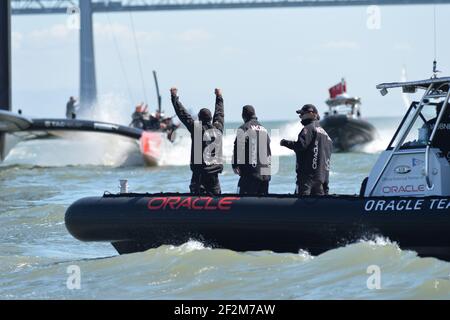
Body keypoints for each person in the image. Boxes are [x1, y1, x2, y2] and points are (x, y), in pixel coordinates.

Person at [171, 87, 224, 195]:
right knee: (216, 201)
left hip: (200, 175)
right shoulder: (218, 129)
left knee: (197, 203)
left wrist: (174, 97)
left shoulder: (197, 129)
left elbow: (183, 114)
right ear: (210, 119)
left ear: (199, 119)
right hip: (214, 177)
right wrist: (219, 97)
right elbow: (219, 113)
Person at [280, 104, 332, 196]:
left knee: (300, 208)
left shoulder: (308, 128)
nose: (300, 117)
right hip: (322, 179)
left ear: (311, 114)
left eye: (302, 114)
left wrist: (284, 143)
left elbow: (301, 145)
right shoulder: (326, 135)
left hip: (307, 179)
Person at [232, 105, 271, 195]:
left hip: (251, 175)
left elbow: (238, 147)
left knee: (241, 203)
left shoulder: (244, 128)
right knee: (261, 206)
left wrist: (235, 165)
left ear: (243, 115)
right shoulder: (264, 129)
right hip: (265, 175)